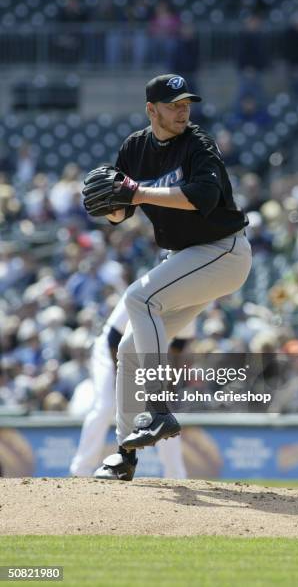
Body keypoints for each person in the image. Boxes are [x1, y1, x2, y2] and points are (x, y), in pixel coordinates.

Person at [83, 74, 252, 480]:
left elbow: (201, 198)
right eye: (174, 104)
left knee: (139, 299)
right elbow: (121, 211)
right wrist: (113, 205)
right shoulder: (135, 148)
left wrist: (136, 192)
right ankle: (125, 453)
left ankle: (158, 408)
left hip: (223, 251)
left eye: (186, 103)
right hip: (187, 258)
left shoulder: (198, 143)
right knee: (127, 349)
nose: (183, 110)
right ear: (151, 110)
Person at [69, 296, 189, 479]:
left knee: (162, 413)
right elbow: (113, 338)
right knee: (106, 406)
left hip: (147, 357)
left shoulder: (190, 298)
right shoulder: (149, 289)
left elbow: (178, 348)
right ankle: (81, 470)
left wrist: (169, 383)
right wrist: (123, 383)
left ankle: (176, 474)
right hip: (110, 353)